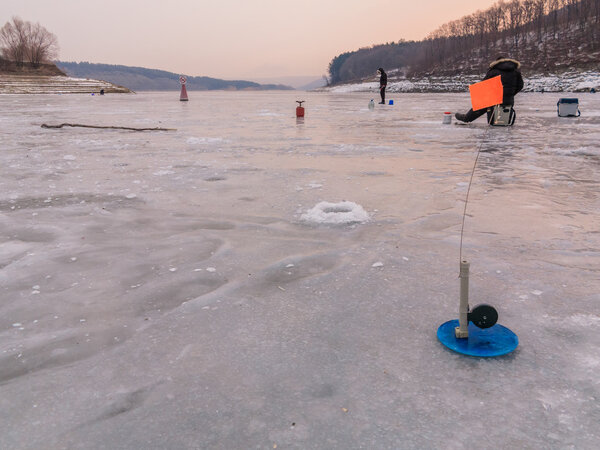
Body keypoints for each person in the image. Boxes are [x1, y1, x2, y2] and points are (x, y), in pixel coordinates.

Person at [455, 57, 524, 123]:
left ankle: (466, 118)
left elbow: (483, 85)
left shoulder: (493, 71)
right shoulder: (516, 72)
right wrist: (510, 94)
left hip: (494, 99)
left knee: (481, 104)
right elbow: (520, 85)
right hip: (509, 100)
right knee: (495, 105)